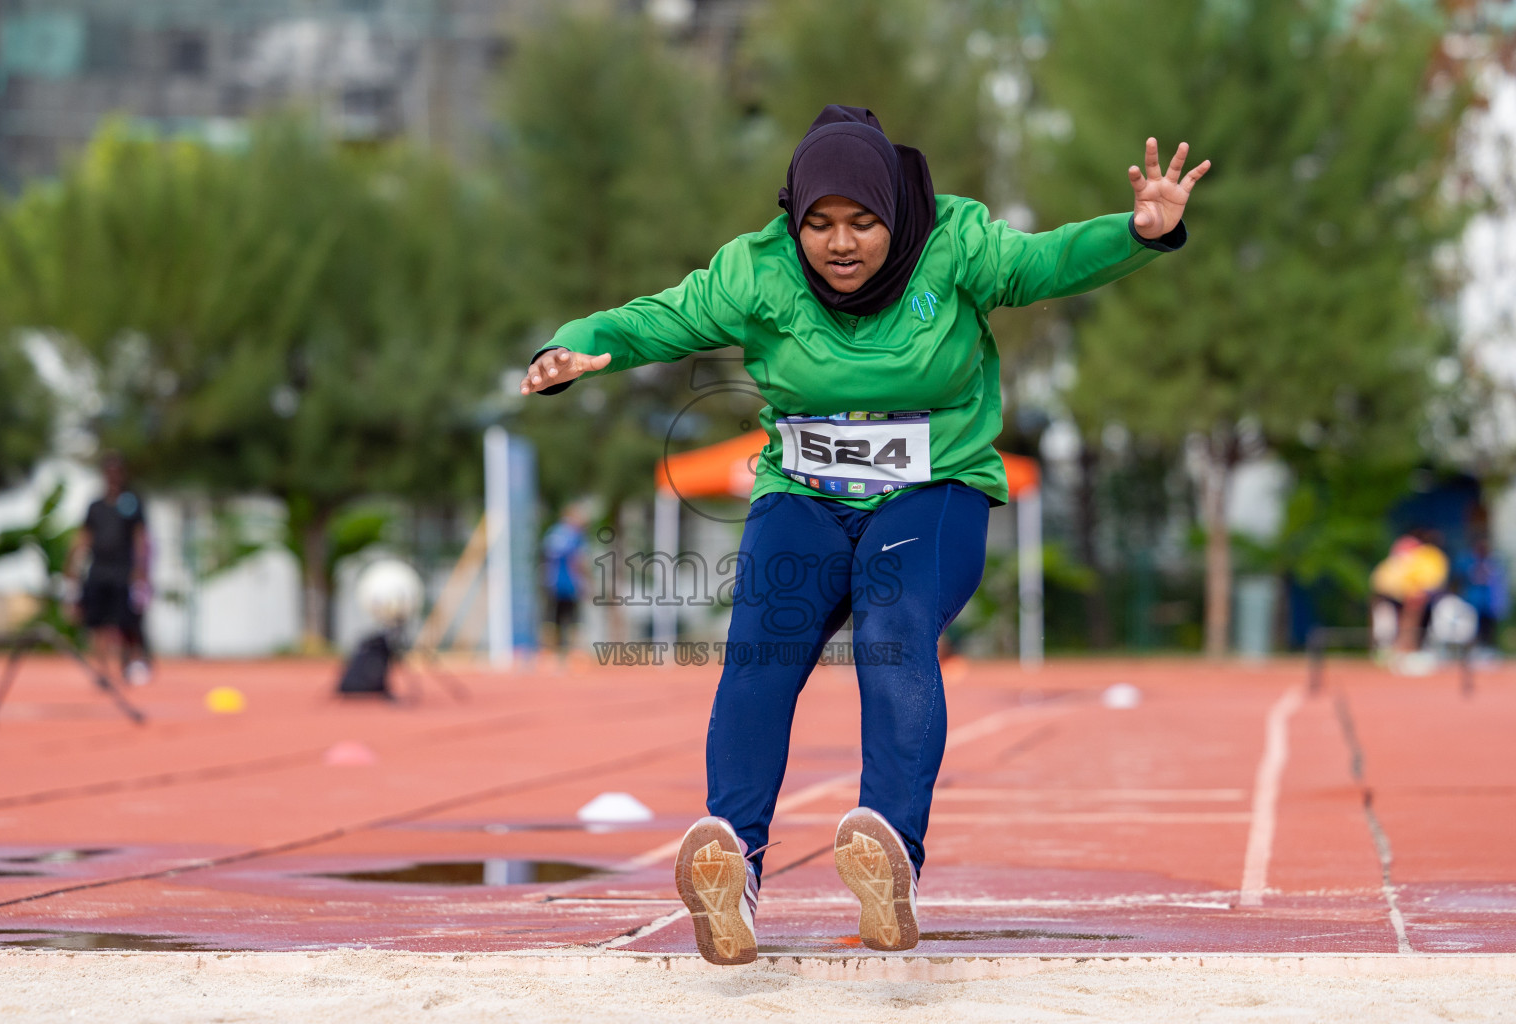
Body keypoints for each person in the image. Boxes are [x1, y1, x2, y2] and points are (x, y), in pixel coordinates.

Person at [521, 105, 1207, 965]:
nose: (839, 244)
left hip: (933, 491)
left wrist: (1139, 231)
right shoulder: (756, 270)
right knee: (759, 651)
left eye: (862, 222)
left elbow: (1049, 262)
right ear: (793, 217)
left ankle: (889, 859)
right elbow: (652, 319)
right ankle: (733, 868)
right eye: (818, 224)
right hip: (804, 496)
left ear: (895, 212)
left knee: (892, 631)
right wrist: (575, 346)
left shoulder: (958, 243)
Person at [67, 452, 151, 686]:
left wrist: (141, 568)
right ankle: (101, 671)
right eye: (109, 472)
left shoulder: (132, 503)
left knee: (126, 622)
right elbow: (84, 537)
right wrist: (72, 564)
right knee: (97, 623)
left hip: (123, 570)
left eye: (117, 471)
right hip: (98, 570)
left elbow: (139, 537)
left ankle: (128, 665)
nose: (113, 477)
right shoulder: (95, 506)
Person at [1370, 530, 1450, 664]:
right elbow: (1381, 583)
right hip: (1398, 596)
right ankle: (1385, 648)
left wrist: (1414, 592)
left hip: (1423, 597)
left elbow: (1431, 581)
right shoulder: (1395, 563)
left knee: (1414, 604)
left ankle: (1407, 647)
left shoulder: (1429, 557)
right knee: (1381, 605)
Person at [541, 503, 589, 657]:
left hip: (552, 582)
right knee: (573, 618)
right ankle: (573, 652)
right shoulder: (574, 536)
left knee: (552, 618)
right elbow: (579, 561)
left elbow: (545, 557)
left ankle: (551, 653)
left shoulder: (552, 533)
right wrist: (587, 582)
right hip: (570, 583)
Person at [1454, 535, 1508, 653]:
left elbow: (1499, 583)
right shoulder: (1466, 560)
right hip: (1472, 601)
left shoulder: (1494, 561)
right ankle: (1471, 651)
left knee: (1488, 628)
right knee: (1470, 628)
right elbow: (1458, 578)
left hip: (1489, 603)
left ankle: (1489, 648)